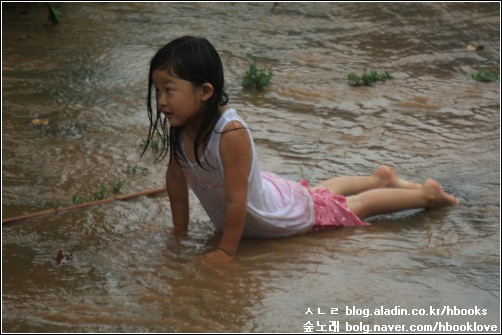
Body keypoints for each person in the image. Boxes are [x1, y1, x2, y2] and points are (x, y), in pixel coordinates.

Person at [142, 36, 459, 265]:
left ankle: (426, 196)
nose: (161, 102)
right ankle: (380, 179)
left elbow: (236, 200)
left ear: (205, 92)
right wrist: (179, 231)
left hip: (277, 216)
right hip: (269, 195)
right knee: (318, 195)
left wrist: (226, 251)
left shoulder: (230, 132)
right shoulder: (181, 126)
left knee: (348, 207)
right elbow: (176, 180)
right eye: (158, 91)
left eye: (169, 90)